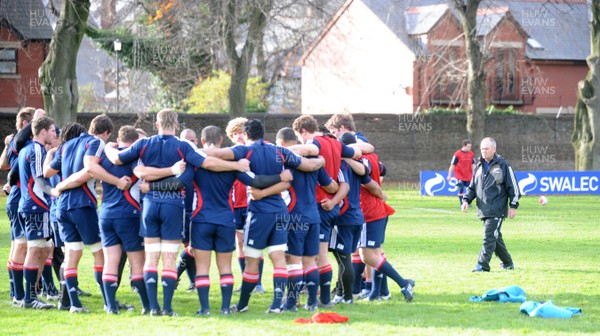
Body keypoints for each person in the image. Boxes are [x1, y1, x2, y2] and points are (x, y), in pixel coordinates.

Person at [104, 109, 250, 317]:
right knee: (170, 258)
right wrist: (235, 164)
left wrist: (108, 147)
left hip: (150, 206)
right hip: (173, 205)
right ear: (177, 125)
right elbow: (205, 164)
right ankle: (168, 308)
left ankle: (154, 307)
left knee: (152, 258)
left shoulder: (144, 143)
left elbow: (117, 159)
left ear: (156, 125)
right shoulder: (183, 146)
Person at [205, 119, 325, 314]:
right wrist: (321, 160)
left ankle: (243, 304)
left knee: (252, 260)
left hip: (259, 213)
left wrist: (189, 151)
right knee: (278, 258)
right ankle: (277, 305)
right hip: (280, 210)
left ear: (245, 134)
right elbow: (307, 165)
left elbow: (215, 153)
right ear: (263, 133)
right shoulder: (279, 151)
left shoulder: (243, 151)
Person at [44, 115, 131, 313]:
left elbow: (47, 172)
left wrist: (58, 176)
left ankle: (74, 304)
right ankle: (109, 302)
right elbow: (91, 169)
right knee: (101, 253)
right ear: (106, 133)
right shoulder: (96, 143)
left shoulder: (66, 145)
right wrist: (117, 182)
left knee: (72, 255)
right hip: (82, 205)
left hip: (62, 207)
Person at [292, 114, 363, 307]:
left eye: (299, 136)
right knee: (317, 255)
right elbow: (355, 156)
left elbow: (309, 152)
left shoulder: (314, 147)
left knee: (304, 255)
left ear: (303, 132)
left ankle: (306, 299)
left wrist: (279, 150)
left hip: (313, 207)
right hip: (328, 207)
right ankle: (319, 298)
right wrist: (333, 199)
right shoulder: (336, 144)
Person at [274, 127, 338, 312]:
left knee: (293, 261)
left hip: (294, 215)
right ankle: (311, 302)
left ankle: (291, 303)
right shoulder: (314, 161)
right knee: (310, 261)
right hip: (314, 216)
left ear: (282, 143)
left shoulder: (285, 160)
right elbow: (330, 185)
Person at [98, 126, 150, 314]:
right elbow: (144, 177)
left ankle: (111, 306)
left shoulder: (103, 157)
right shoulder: (135, 157)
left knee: (111, 260)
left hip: (105, 213)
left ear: (118, 139)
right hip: (129, 214)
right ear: (135, 142)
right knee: (137, 261)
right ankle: (147, 305)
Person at [462, 137, 520, 272]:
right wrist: (466, 200)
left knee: (489, 237)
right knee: (495, 237)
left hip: (497, 209)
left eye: (487, 149)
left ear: (494, 149)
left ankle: (482, 265)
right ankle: (507, 263)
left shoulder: (503, 165)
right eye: (482, 148)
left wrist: (513, 205)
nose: (484, 151)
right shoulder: (478, 165)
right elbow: (472, 187)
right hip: (483, 209)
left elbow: (514, 187)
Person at [17, 116, 57, 309]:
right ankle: (30, 298)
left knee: (45, 248)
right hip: (36, 206)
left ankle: (33, 292)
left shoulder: (26, 149)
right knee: (35, 250)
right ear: (43, 132)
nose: (54, 134)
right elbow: (39, 179)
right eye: (52, 131)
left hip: (32, 206)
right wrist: (54, 191)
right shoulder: (37, 149)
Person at [226, 117, 266, 294]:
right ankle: (246, 280)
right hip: (236, 205)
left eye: (240, 132)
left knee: (255, 244)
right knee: (241, 243)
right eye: (234, 134)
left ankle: (258, 283)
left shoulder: (257, 150)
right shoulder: (231, 153)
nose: (238, 137)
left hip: (254, 201)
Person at [448, 140, 475, 206]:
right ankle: (462, 203)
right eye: (468, 147)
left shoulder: (471, 154)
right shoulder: (457, 154)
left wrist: (474, 174)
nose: (469, 148)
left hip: (468, 175)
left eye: (470, 147)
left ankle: (468, 201)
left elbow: (473, 164)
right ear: (464, 146)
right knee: (461, 187)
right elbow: (452, 165)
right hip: (459, 175)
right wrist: (449, 175)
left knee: (470, 189)